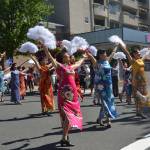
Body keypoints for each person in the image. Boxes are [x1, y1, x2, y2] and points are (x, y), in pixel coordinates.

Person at [42, 44, 87, 146]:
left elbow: (79, 63)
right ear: (63, 58)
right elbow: (50, 56)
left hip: (73, 93)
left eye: (68, 55)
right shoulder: (59, 66)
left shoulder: (71, 67)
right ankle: (64, 137)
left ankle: (65, 137)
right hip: (64, 93)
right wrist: (45, 48)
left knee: (71, 115)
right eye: (66, 56)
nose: (69, 56)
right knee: (67, 115)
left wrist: (84, 57)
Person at [88, 47, 118, 128]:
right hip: (101, 87)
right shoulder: (97, 63)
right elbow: (90, 56)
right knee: (105, 103)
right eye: (104, 53)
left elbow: (113, 52)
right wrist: (84, 49)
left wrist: (116, 45)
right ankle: (108, 120)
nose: (106, 54)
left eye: (106, 53)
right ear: (100, 55)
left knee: (107, 102)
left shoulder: (107, 61)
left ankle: (100, 118)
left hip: (109, 85)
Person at [120, 46, 149, 118]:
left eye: (139, 52)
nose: (139, 54)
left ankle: (139, 111)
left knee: (143, 96)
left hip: (143, 80)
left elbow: (146, 55)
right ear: (134, 54)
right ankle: (139, 112)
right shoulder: (133, 61)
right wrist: (122, 46)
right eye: (138, 53)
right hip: (136, 81)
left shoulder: (141, 59)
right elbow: (127, 53)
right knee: (138, 97)